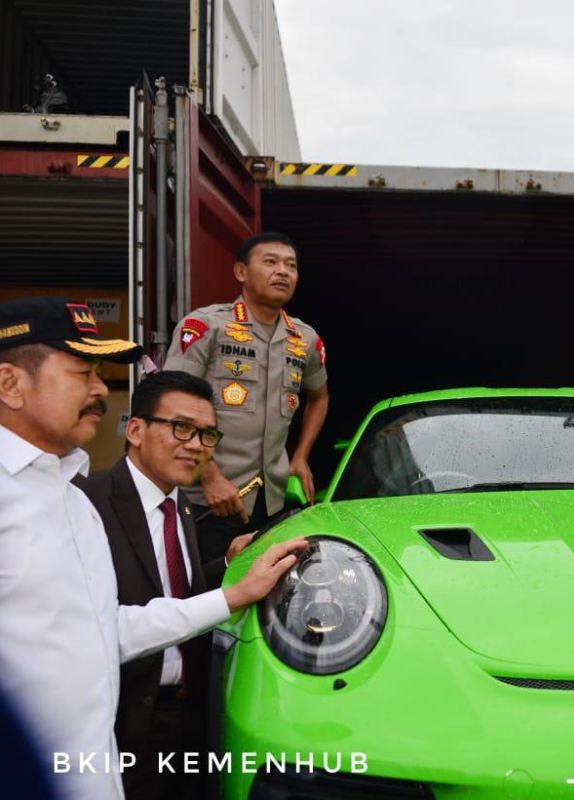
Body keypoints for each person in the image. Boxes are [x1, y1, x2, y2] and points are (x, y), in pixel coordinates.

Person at [0, 297, 307, 800]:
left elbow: (107, 631)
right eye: (82, 371)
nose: (101, 390)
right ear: (11, 384)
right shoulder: (75, 497)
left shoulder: (69, 501)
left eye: (101, 373)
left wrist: (234, 590)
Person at [76, 371, 253, 799]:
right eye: (181, 428)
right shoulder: (86, 499)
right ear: (135, 430)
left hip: (187, 718)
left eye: (208, 434)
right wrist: (234, 595)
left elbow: (173, 591)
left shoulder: (181, 508)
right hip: (119, 725)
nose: (195, 445)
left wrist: (227, 564)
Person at [164, 231, 329, 562]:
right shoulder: (206, 326)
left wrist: (300, 456)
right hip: (209, 499)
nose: (282, 271)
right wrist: (208, 475)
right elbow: (171, 400)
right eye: (270, 262)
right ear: (241, 272)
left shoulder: (304, 339)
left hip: (273, 500)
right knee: (206, 592)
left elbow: (319, 397)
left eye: (291, 266)